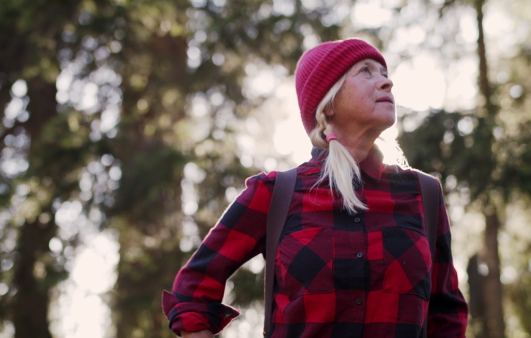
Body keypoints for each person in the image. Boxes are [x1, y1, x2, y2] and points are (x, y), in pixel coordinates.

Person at [162, 38, 468, 337]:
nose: (386, 83)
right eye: (366, 71)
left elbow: (447, 316)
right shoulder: (275, 194)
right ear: (328, 103)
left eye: (385, 74)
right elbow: (192, 290)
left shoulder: (424, 194)